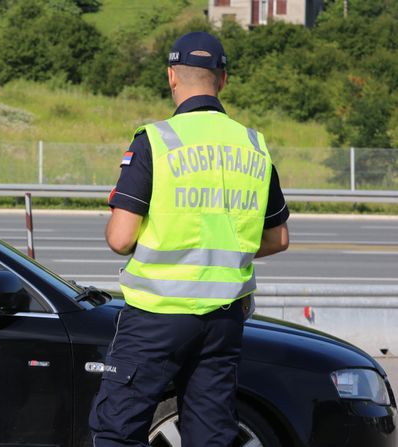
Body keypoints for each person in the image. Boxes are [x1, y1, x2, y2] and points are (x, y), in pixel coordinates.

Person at [89, 32, 290, 447]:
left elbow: (120, 238)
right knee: (211, 431)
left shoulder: (157, 141)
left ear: (170, 77)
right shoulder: (253, 146)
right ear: (224, 79)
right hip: (223, 319)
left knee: (117, 428)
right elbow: (278, 237)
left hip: (157, 315)